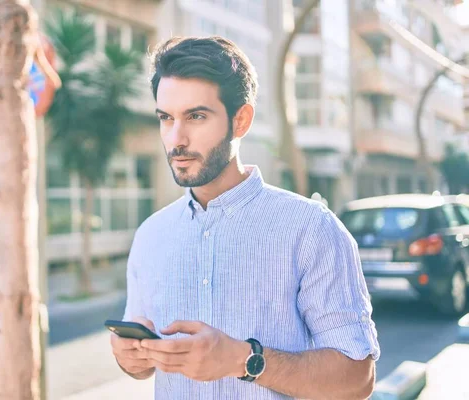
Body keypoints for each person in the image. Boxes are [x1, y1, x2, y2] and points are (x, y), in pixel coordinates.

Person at [110, 36, 380, 400]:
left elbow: (357, 379)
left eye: (196, 116)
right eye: (166, 118)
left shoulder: (311, 229)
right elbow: (139, 367)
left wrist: (243, 360)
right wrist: (132, 358)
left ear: (241, 120)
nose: (176, 139)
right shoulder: (150, 235)